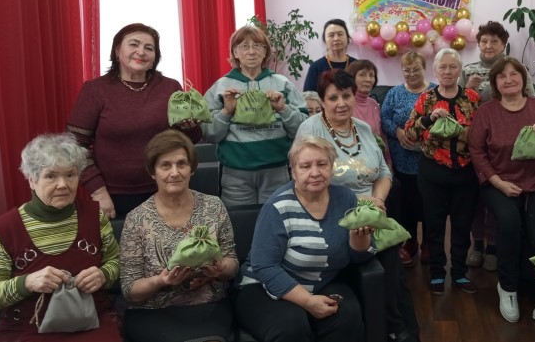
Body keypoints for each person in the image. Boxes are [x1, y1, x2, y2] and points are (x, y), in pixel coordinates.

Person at [297, 70, 419, 341]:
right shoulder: (311, 130)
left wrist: (377, 200)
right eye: (333, 98)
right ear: (322, 101)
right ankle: (391, 327)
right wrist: (360, 202)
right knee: (383, 262)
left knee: (392, 262)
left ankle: (395, 327)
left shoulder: (362, 128)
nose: (341, 103)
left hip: (370, 210)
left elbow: (384, 172)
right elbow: (306, 180)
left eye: (346, 96)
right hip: (330, 212)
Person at [0, 133, 121, 341]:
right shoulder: (6, 229)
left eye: (70, 175)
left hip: (91, 321)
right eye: (51, 176)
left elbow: (116, 261)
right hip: (27, 328)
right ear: (32, 180)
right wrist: (26, 283)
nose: (63, 184)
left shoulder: (95, 217)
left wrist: (104, 275)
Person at [235, 135, 374, 342]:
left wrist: (359, 239)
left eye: (322, 164)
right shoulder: (277, 206)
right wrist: (308, 301)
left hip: (321, 281)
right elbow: (264, 266)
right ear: (293, 171)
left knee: (348, 316)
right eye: (305, 166)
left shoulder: (346, 198)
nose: (315, 172)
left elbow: (358, 257)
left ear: (332, 167)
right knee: (292, 326)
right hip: (261, 286)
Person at [67, 23, 201, 219]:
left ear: (155, 56)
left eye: (149, 48)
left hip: (166, 189)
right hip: (112, 196)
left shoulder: (170, 87)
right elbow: (74, 147)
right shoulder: (95, 90)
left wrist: (190, 127)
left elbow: (191, 139)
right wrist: (98, 191)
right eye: (134, 44)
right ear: (117, 51)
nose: (141, 52)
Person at [469, 56, 535, 323]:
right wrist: (497, 182)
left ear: (523, 79)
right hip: (499, 182)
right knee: (509, 225)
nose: (509, 79)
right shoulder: (486, 111)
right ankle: (507, 286)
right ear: (495, 83)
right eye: (502, 76)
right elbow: (476, 150)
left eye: (514, 74)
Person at [119, 129, 238, 342]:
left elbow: (233, 264)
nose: (175, 172)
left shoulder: (214, 206)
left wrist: (220, 269)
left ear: (191, 169)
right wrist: (161, 281)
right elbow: (130, 290)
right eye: (165, 165)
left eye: (182, 164)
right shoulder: (137, 219)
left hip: (207, 306)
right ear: (153, 172)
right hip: (153, 311)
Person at [202, 25, 307, 206]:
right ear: (235, 52)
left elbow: (304, 129)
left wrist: (283, 109)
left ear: (265, 52)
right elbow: (209, 133)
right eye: (244, 46)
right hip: (235, 175)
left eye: (258, 46)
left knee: (277, 220)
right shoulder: (221, 86)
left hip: (276, 171)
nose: (251, 51)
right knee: (240, 220)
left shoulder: (282, 83)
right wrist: (226, 112)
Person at [460, 21, 535, 271]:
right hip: (474, 143)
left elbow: (532, 102)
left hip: (507, 145)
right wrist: (467, 90)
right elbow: (457, 107)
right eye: (484, 41)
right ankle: (477, 245)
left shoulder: (515, 69)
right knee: (475, 199)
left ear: (504, 44)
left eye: (494, 41)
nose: (488, 45)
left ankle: (493, 246)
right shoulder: (468, 69)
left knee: (499, 198)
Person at [405, 48, 481, 295]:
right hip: (433, 171)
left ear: (460, 71)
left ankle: (459, 272)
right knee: (434, 224)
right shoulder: (426, 99)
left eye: (452, 67)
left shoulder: (472, 97)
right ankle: (437, 272)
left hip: (466, 172)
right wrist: (428, 119)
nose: (447, 71)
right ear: (435, 71)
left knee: (462, 225)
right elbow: (410, 132)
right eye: (442, 67)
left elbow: (482, 132)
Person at [381, 51, 436, 267]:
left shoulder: (434, 92)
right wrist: (397, 132)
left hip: (430, 160)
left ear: (425, 69)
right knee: (407, 204)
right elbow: (384, 118)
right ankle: (410, 241)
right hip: (402, 160)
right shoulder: (394, 93)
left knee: (429, 203)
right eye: (407, 70)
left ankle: (429, 243)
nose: (411, 74)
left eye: (416, 69)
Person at [345, 59, 391, 165]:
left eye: (371, 75)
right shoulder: (345, 104)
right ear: (352, 77)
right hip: (354, 162)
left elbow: (381, 136)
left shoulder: (373, 103)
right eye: (362, 75)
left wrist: (388, 162)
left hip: (376, 160)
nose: (368, 79)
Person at [303, 19, 357, 92]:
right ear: (325, 40)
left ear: (347, 38)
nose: (336, 38)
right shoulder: (316, 67)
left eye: (340, 34)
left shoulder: (356, 65)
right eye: (331, 35)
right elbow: (308, 96)